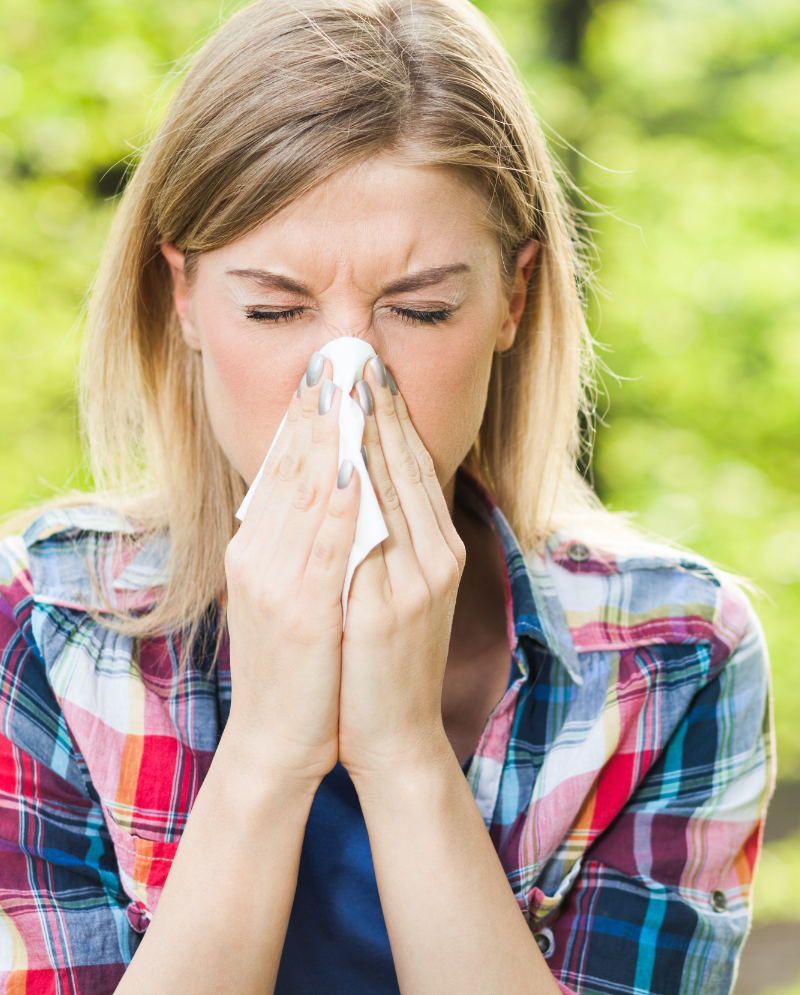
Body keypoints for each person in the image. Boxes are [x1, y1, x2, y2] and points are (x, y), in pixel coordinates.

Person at [0, 0, 773, 992]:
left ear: (512, 298)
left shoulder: (672, 650)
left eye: (419, 308)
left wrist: (404, 753)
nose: (347, 380)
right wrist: (270, 751)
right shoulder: (41, 627)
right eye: (275, 307)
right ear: (184, 297)